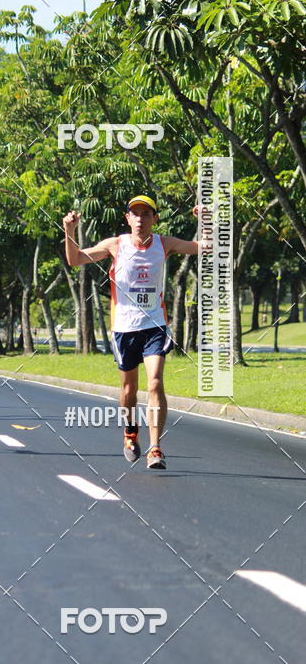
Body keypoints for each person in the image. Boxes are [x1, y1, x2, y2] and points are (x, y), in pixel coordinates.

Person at [63, 195, 208, 470]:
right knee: (129, 389)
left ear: (155, 218)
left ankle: (155, 448)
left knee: (155, 382)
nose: (140, 219)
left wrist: (206, 221)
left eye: (146, 214)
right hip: (124, 328)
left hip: (155, 326)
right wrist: (69, 230)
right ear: (127, 218)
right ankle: (131, 432)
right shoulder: (116, 245)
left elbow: (205, 247)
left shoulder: (164, 244)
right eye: (135, 214)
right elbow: (75, 259)